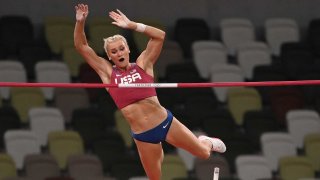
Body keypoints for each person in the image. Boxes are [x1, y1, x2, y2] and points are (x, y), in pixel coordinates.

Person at [74, 4, 226, 180]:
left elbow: (160, 36)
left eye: (122, 48)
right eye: (114, 52)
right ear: (110, 57)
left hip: (165, 123)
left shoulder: (143, 64)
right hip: (144, 135)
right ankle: (159, 152)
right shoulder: (108, 74)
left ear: (128, 49)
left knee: (204, 154)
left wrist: (133, 25)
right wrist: (80, 22)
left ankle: (205, 141)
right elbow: (81, 47)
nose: (119, 53)